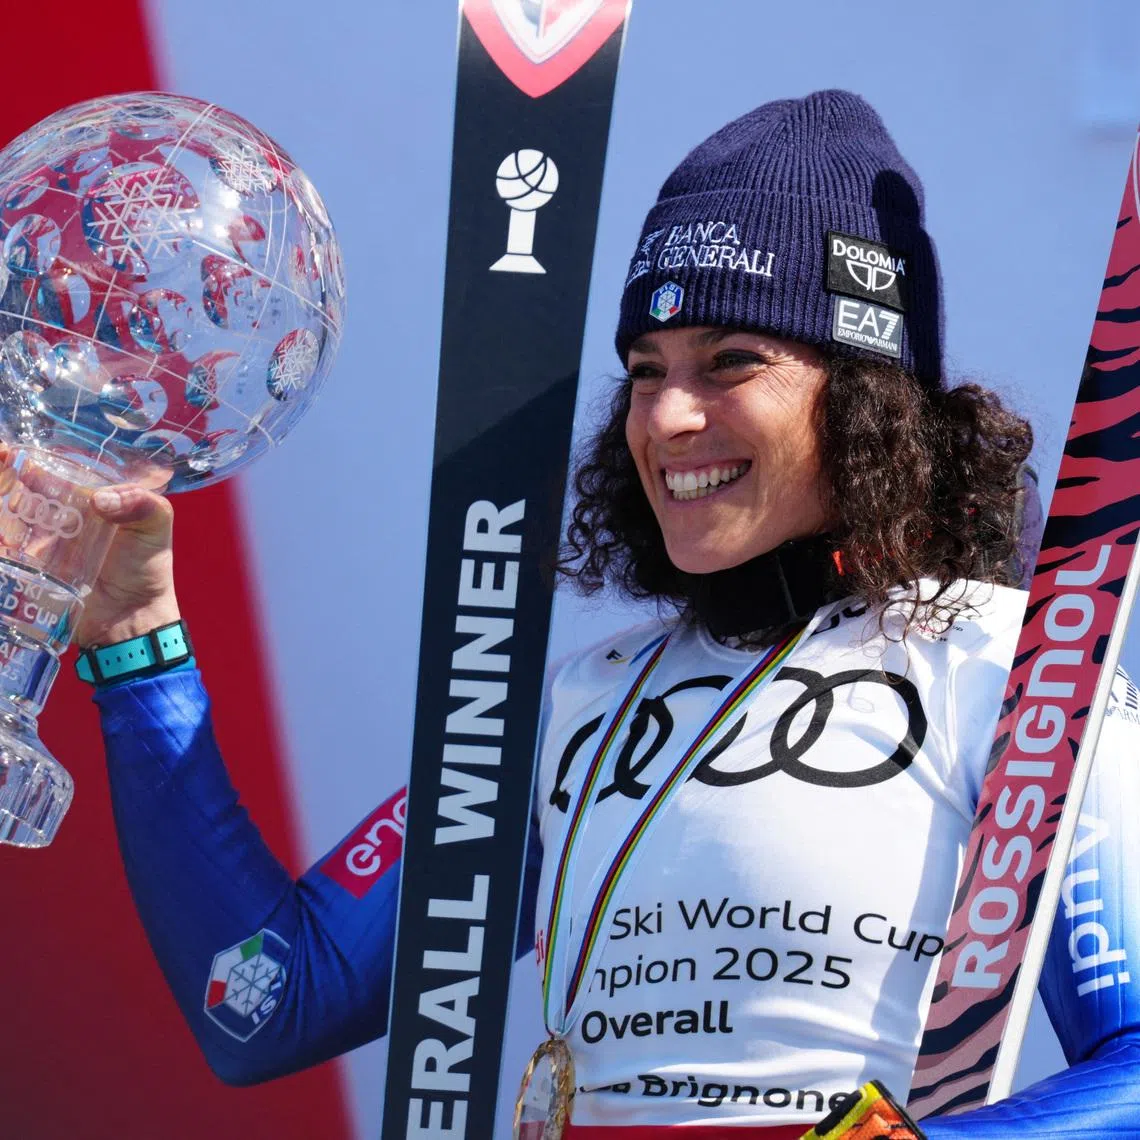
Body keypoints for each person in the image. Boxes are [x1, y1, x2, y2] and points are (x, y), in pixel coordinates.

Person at [77, 90, 1139, 1136]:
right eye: (643, 370)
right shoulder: (586, 699)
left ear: (868, 397)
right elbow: (266, 1002)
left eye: (731, 361)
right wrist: (136, 645)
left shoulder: (1019, 667)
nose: (667, 416)